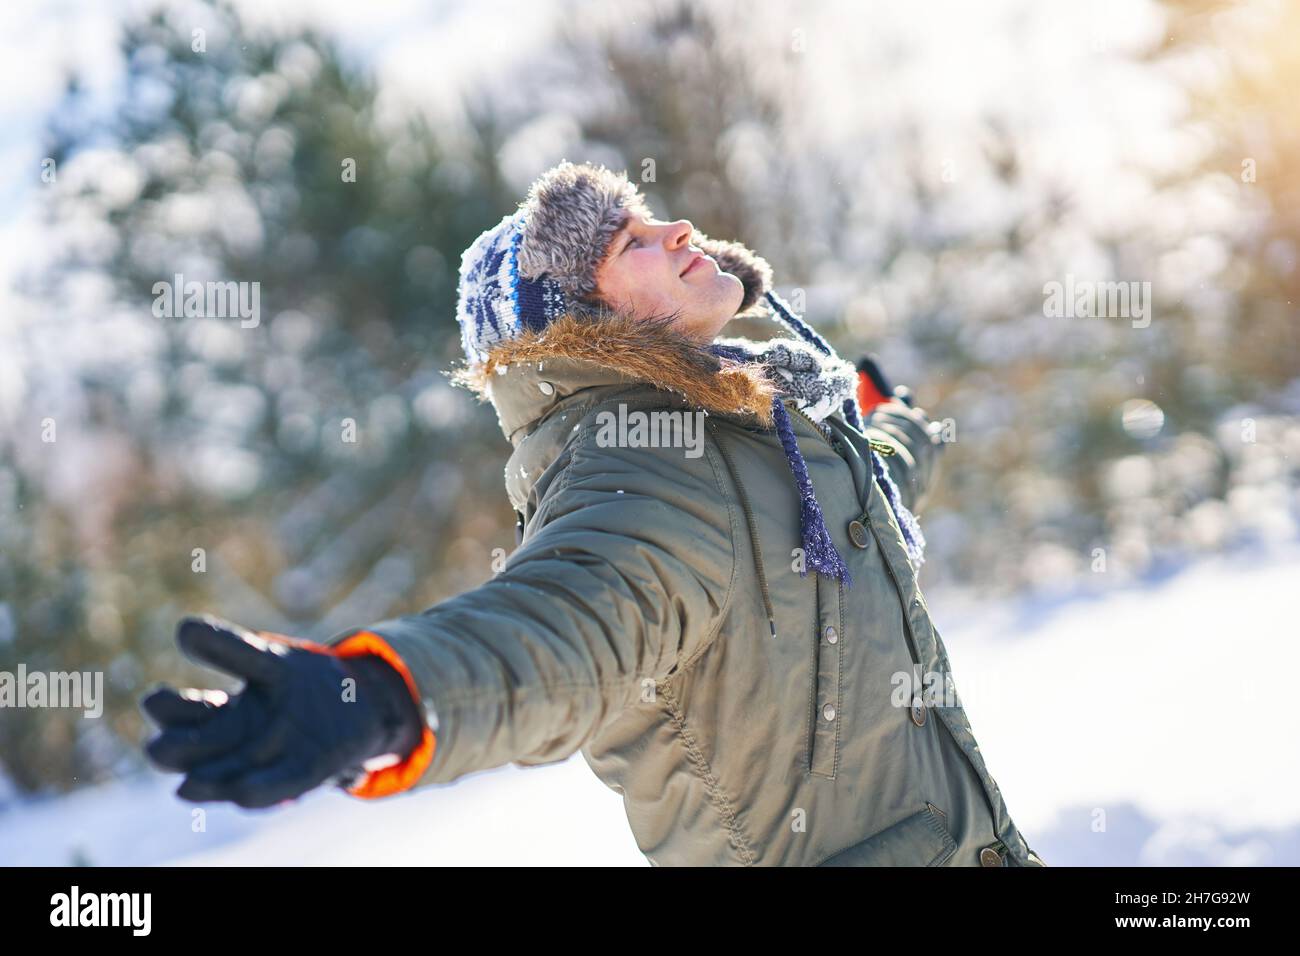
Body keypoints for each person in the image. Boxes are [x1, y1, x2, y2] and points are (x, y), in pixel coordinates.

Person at [142, 160, 1046, 867]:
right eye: (631, 244)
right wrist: (384, 695)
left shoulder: (746, 426)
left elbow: (854, 498)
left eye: (650, 219)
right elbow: (567, 625)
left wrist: (888, 430)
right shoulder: (647, 464)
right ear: (584, 327)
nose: (679, 228)